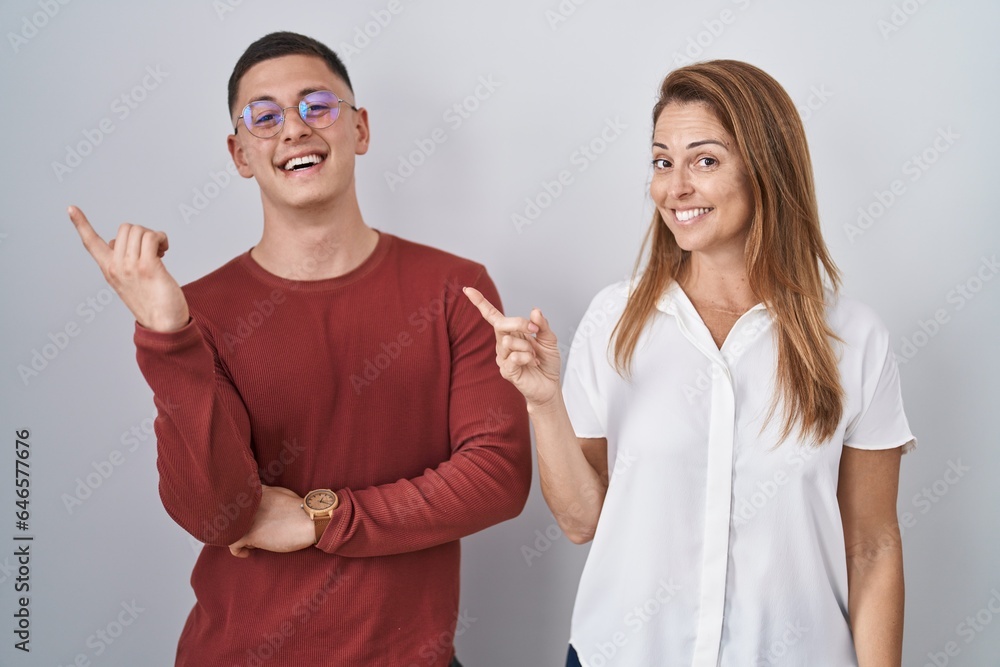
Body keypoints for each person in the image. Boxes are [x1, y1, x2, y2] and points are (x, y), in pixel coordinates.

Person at [67, 31, 531, 666]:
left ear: (360, 129)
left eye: (318, 105)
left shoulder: (458, 288)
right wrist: (169, 339)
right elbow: (216, 516)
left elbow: (497, 478)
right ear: (239, 154)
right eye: (264, 116)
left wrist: (322, 517)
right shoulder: (196, 311)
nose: (293, 128)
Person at [466, 59, 915, 666]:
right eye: (661, 161)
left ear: (766, 170)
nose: (674, 188)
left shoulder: (853, 337)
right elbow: (580, 521)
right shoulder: (614, 320)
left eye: (704, 161)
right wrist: (542, 402)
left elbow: (873, 545)